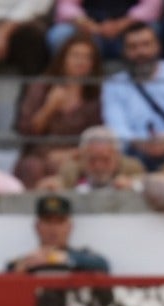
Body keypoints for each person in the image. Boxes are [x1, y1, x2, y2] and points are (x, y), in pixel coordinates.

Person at [101, 20, 164, 170]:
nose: (141, 52)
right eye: (133, 47)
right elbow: (117, 128)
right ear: (124, 52)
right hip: (133, 152)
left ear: (158, 46)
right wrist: (141, 144)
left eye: (146, 45)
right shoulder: (113, 84)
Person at [12, 30, 103, 189]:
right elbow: (26, 131)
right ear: (63, 59)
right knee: (32, 167)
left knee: (67, 168)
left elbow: (99, 134)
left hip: (79, 154)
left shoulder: (96, 95)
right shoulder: (42, 86)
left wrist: (73, 153)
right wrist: (49, 107)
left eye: (87, 57)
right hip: (39, 153)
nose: (81, 61)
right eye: (76, 55)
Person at [6, 192, 109, 272]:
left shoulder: (84, 259)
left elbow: (102, 265)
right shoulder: (27, 261)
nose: (53, 228)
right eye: (47, 221)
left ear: (69, 227)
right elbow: (9, 272)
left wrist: (56, 258)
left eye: (59, 222)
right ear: (37, 226)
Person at [42, 123, 143, 191]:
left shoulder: (132, 168)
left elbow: (145, 184)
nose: (99, 166)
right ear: (82, 157)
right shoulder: (71, 170)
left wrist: (133, 185)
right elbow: (58, 185)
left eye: (105, 159)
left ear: (116, 156)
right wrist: (51, 186)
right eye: (92, 160)